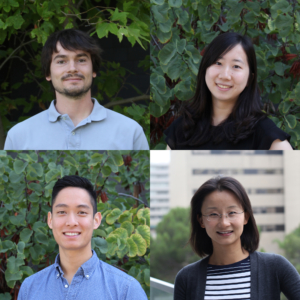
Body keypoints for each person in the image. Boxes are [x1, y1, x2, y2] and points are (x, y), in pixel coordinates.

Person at [4, 29, 149, 150]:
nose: (72, 68)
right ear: (48, 73)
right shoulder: (18, 136)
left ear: (93, 70)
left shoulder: (130, 132)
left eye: (81, 60)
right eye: (61, 61)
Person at [18, 175, 147, 300]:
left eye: (82, 212)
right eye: (62, 212)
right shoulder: (30, 288)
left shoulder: (126, 290)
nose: (71, 222)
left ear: (96, 220)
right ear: (50, 220)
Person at [174, 176, 300, 300]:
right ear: (201, 220)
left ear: (246, 217)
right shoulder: (186, 278)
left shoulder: (276, 267)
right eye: (213, 214)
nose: (224, 223)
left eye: (232, 213)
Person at [164, 32, 293, 150]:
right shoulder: (181, 129)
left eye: (236, 66)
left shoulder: (265, 136)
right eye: (218, 63)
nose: (225, 75)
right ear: (205, 69)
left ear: (250, 78)